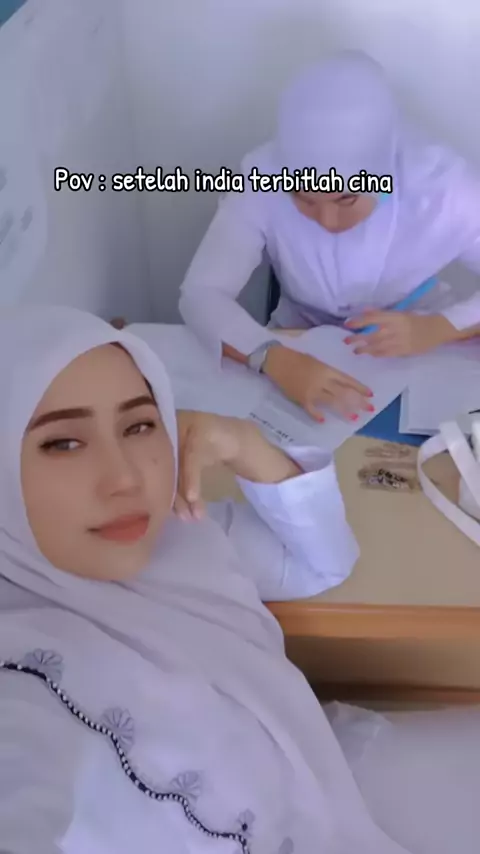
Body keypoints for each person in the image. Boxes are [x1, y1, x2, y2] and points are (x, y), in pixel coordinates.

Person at [0, 304, 411, 853]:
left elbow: (324, 561)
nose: (125, 478)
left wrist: (244, 443)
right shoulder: (23, 663)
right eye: (63, 443)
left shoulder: (180, 541)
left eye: (139, 425)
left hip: (336, 808)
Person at [179, 50, 480, 424]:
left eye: (346, 198)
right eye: (303, 198)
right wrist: (272, 357)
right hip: (301, 336)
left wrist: (439, 327)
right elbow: (202, 292)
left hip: (419, 332)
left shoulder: (443, 186)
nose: (327, 220)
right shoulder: (261, 177)